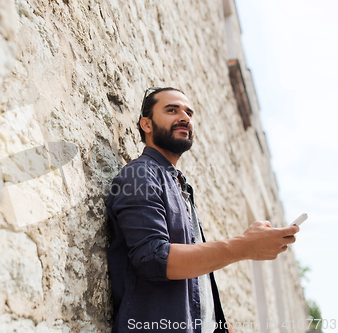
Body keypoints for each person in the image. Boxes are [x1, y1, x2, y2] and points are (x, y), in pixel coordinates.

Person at [106, 87, 299, 333]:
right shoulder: (140, 174)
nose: (185, 117)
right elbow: (153, 259)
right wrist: (244, 246)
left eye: (189, 112)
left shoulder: (181, 186)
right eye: (171, 110)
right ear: (147, 124)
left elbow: (195, 278)